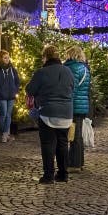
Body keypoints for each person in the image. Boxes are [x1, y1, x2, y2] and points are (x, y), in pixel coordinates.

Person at [26, 44, 74, 184]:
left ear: (45, 57)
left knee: (48, 145)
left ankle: (48, 176)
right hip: (66, 113)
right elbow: (73, 88)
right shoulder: (68, 71)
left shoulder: (42, 72)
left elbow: (30, 89)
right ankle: (63, 174)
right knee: (63, 144)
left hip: (48, 112)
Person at [63, 45, 90, 170]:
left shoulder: (72, 68)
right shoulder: (84, 68)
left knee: (74, 135)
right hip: (81, 105)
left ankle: (74, 163)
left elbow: (71, 89)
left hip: (73, 106)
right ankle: (79, 161)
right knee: (78, 134)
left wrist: (66, 104)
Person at [0, 49, 20, 143]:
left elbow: (17, 81)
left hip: (11, 96)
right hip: (1, 96)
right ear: (1, 58)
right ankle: (5, 134)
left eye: (8, 57)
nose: (7, 59)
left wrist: (15, 90)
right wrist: (0, 91)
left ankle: (5, 134)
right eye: (5, 58)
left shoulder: (12, 69)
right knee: (3, 115)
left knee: (8, 115)